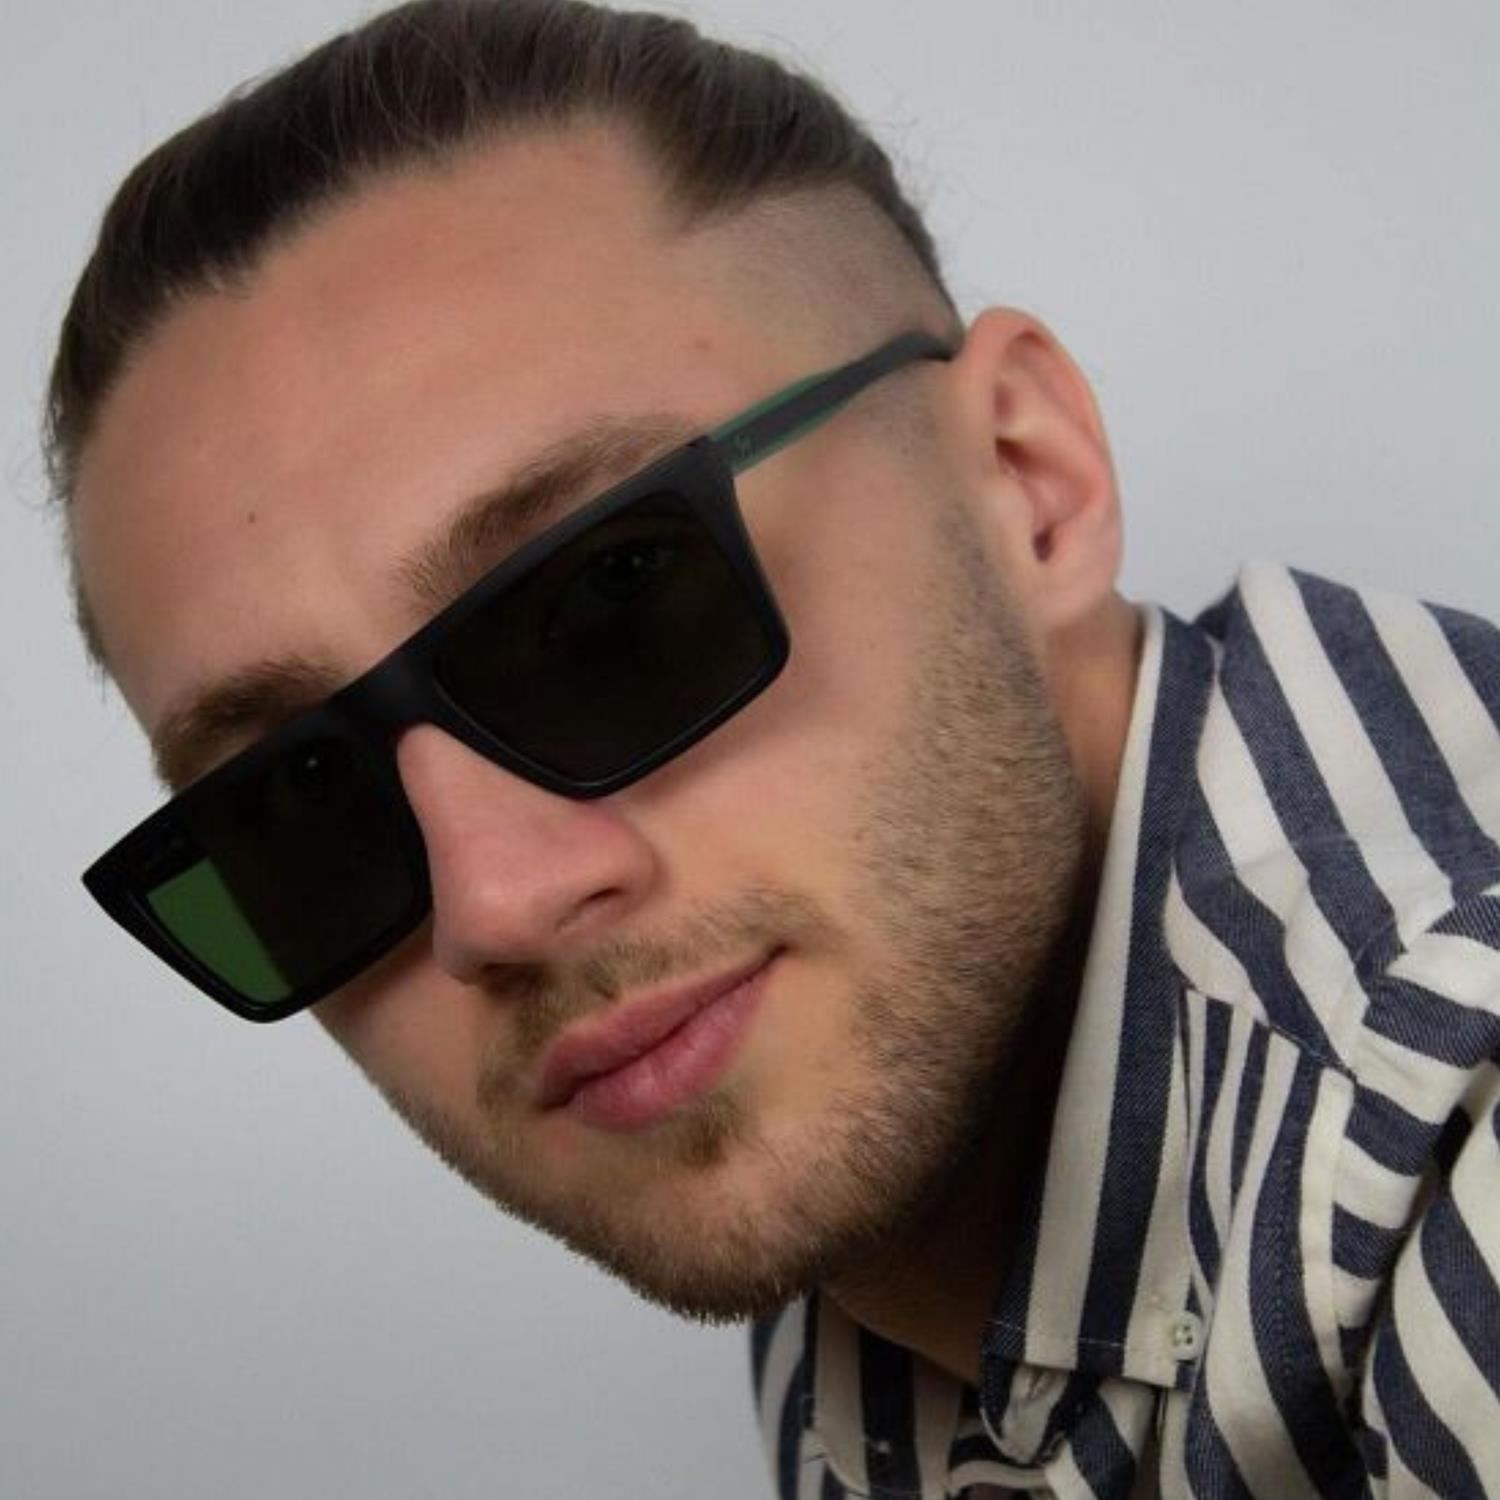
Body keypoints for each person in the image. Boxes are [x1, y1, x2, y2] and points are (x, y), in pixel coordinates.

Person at [46, 0, 1500, 1495]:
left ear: (1027, 481)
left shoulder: (1451, 1095)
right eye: (296, 807)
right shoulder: (869, 1221)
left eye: (614, 603)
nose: (496, 902)